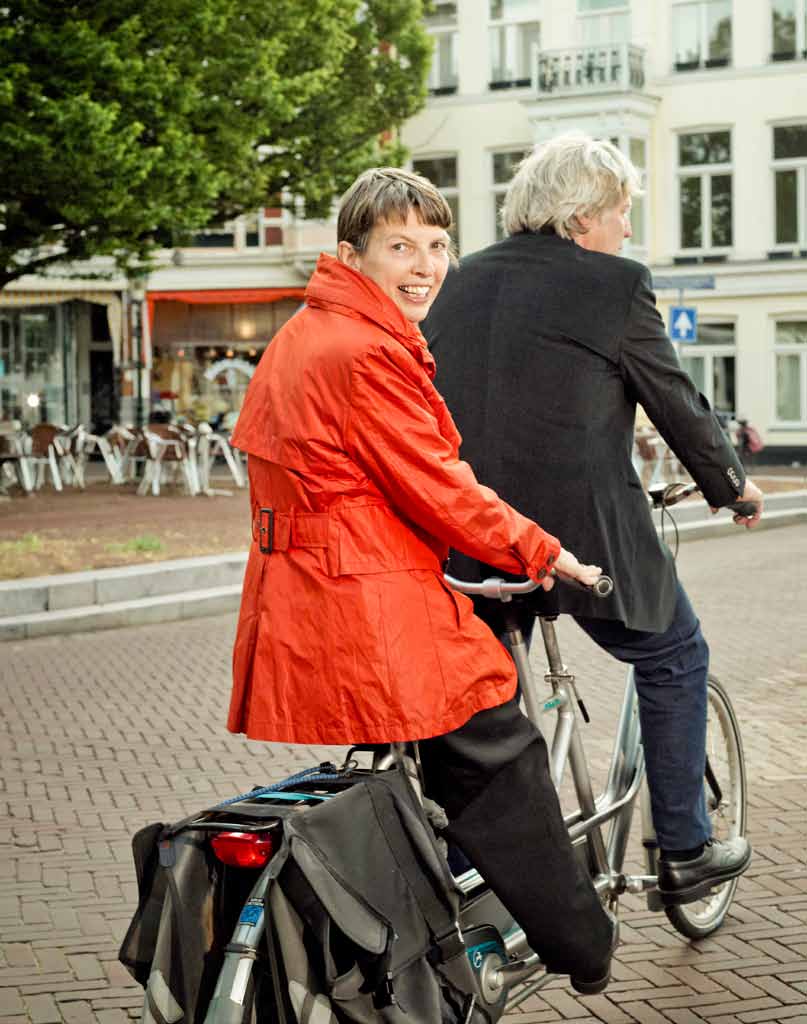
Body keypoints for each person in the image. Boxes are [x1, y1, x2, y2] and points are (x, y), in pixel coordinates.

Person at [227, 166, 616, 993]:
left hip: (311, 602)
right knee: (498, 749)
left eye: (437, 245)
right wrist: (546, 553)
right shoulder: (365, 351)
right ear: (351, 254)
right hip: (370, 608)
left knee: (446, 758)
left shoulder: (305, 333)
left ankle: (441, 912)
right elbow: (441, 489)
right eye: (399, 245)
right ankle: (585, 949)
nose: (424, 264)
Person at [424, 133, 764, 908]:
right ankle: (683, 848)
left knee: (487, 702)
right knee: (675, 652)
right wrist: (730, 486)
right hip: (582, 538)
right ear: (580, 218)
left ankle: (483, 861)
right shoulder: (613, 285)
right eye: (620, 212)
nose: (625, 230)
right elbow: (672, 399)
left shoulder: (455, 282)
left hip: (470, 535)